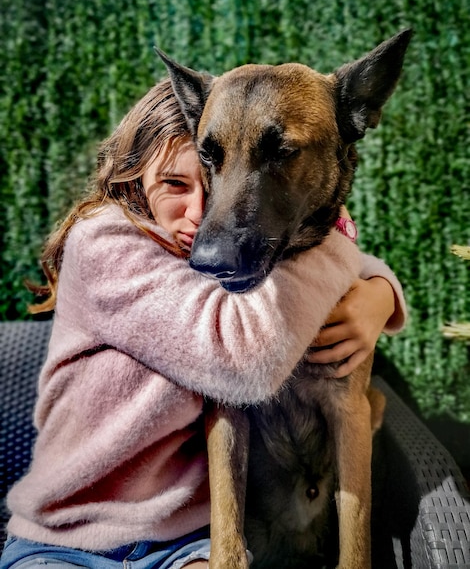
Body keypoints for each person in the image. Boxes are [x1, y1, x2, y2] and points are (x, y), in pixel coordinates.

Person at [0, 78, 406, 569]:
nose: (202, 214)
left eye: (210, 182)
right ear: (132, 180)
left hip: (179, 545)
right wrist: (343, 246)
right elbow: (240, 361)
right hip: (67, 541)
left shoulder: (205, 255)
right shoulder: (103, 246)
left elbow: (292, 259)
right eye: (174, 184)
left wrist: (380, 289)